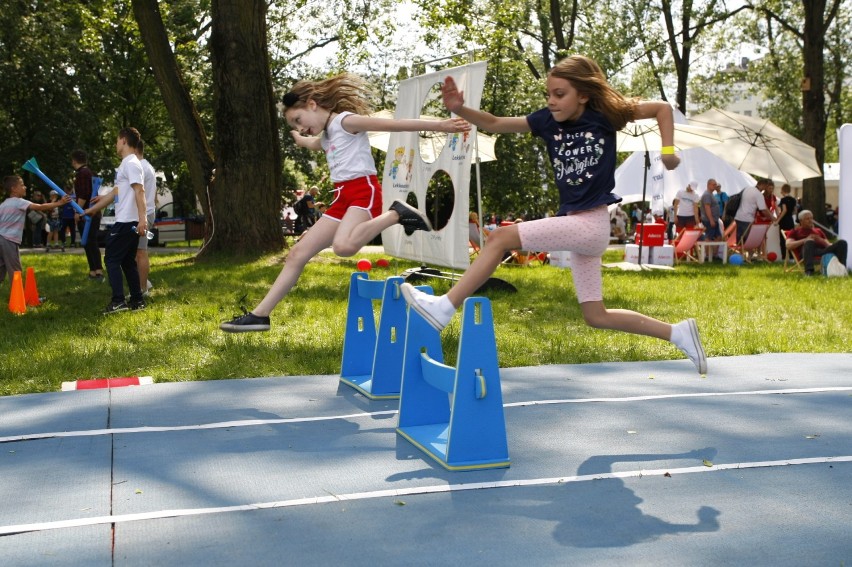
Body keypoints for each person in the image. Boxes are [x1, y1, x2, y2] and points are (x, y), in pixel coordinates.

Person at [400, 55, 707, 374]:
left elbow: (662, 109)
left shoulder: (604, 115)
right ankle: (678, 332)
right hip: (581, 227)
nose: (552, 101)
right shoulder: (548, 121)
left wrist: (668, 151)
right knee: (596, 316)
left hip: (590, 224)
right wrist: (460, 108)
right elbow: (494, 123)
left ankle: (444, 307)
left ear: (584, 95)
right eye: (549, 94)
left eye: (560, 95)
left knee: (502, 237)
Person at [220, 72, 470, 332]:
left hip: (363, 191)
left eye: (298, 120)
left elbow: (393, 125)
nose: (300, 126)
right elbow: (314, 143)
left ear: (312, 104)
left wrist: (441, 126)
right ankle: (260, 315)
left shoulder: (345, 121)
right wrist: (300, 138)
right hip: (342, 197)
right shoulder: (327, 135)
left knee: (344, 247)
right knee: (297, 253)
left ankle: (396, 214)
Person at [83, 127, 148, 313]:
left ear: (123, 141)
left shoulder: (131, 164)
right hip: (128, 221)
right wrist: (93, 209)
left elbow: (139, 191)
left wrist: (142, 220)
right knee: (127, 261)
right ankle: (137, 300)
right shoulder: (125, 165)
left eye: (116, 140)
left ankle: (118, 301)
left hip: (127, 222)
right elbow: (115, 193)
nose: (115, 144)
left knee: (111, 259)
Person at [0, 175, 70, 285]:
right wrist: (59, 203)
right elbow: (40, 207)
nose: (25, 187)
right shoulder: (19, 202)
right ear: (13, 189)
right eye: (22, 185)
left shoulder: (3, 204)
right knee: (15, 271)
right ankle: (20, 298)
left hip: (1, 239)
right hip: (9, 240)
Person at [71, 149, 104, 280]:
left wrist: (78, 212)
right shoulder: (87, 172)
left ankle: (98, 271)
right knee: (88, 242)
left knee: (91, 241)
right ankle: (93, 270)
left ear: (74, 161)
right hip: (89, 212)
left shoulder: (83, 173)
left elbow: (84, 194)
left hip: (88, 213)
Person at [785, 210, 847, 276]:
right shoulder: (795, 231)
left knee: (842, 243)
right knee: (809, 242)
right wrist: (806, 239)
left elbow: (828, 245)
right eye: (807, 219)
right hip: (807, 252)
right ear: (801, 221)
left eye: (811, 218)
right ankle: (809, 271)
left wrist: (820, 240)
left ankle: (842, 269)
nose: (810, 220)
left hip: (822, 252)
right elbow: (788, 245)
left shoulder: (818, 230)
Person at [135, 140, 157, 296]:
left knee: (141, 252)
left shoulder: (141, 167)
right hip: (145, 213)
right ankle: (144, 282)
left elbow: (139, 193)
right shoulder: (147, 165)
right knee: (136, 252)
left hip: (144, 214)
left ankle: (143, 290)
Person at [775, 183, 797, 259]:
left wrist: (778, 220)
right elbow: (795, 211)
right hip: (790, 220)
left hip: (784, 221)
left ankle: (784, 257)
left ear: (783, 190)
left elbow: (784, 210)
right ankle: (791, 257)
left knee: (783, 239)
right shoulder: (793, 199)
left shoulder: (783, 200)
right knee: (790, 238)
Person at [58, 183, 77, 249]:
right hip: (67, 216)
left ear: (66, 189)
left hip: (69, 216)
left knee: (67, 230)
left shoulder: (67, 196)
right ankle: (71, 243)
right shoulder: (72, 196)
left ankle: (66, 242)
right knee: (71, 230)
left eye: (65, 189)